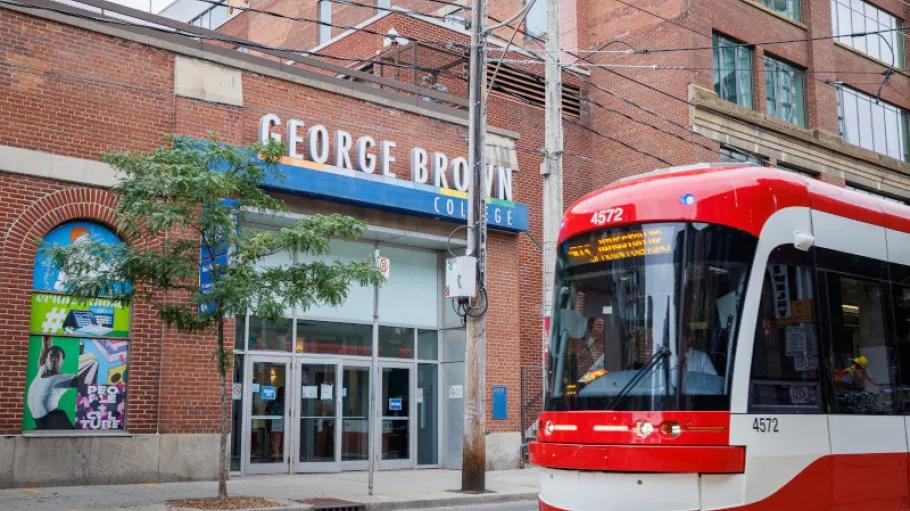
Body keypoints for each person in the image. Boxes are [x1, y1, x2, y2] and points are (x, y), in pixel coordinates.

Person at [27, 336, 90, 429]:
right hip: (40, 422)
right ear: (46, 359)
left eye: (58, 357)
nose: (54, 359)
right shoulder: (42, 369)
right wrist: (46, 339)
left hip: (54, 419)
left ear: (62, 361)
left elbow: (83, 380)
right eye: (51, 356)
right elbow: (45, 348)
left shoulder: (64, 378)